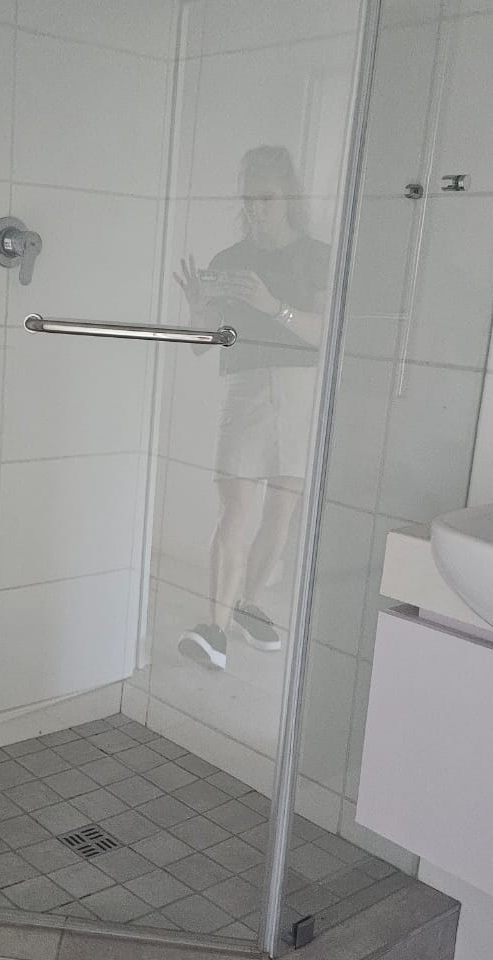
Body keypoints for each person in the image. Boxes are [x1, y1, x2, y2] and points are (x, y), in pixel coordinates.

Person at [173, 145, 329, 669]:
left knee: (281, 511)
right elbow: (203, 345)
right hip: (246, 387)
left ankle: (248, 605)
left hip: (303, 388)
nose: (256, 208)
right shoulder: (229, 261)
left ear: (289, 198)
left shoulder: (319, 257)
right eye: (249, 198)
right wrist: (198, 311)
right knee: (236, 508)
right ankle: (214, 628)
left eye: (267, 198)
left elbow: (327, 333)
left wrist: (272, 306)